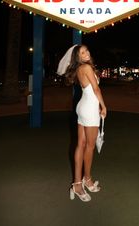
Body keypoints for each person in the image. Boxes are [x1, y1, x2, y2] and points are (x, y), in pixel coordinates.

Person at [57, 44, 107, 202]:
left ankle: (78, 183)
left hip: (82, 107)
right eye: (82, 52)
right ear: (77, 57)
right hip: (90, 109)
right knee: (89, 147)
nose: (86, 53)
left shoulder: (81, 68)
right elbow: (96, 89)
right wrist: (104, 106)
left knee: (81, 145)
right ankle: (87, 179)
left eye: (87, 50)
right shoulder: (86, 67)